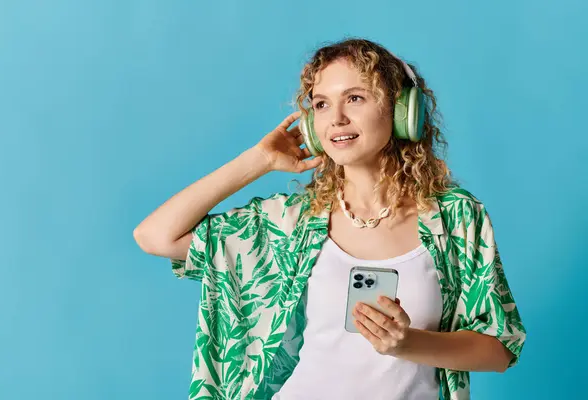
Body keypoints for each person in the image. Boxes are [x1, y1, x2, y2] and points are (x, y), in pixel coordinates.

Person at [134, 38, 526, 400]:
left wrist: (408, 344)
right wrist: (259, 161)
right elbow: (156, 236)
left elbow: (498, 350)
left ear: (403, 111)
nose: (335, 118)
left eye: (355, 98)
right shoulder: (288, 225)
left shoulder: (455, 217)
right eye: (321, 104)